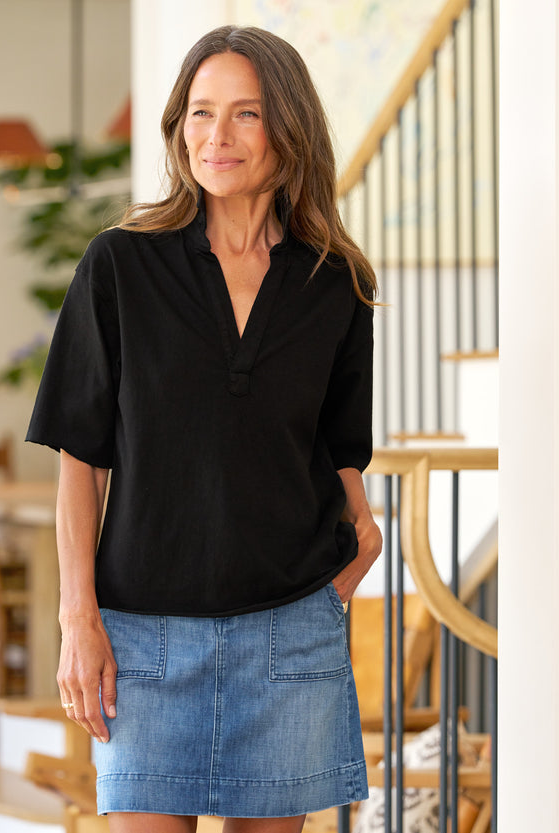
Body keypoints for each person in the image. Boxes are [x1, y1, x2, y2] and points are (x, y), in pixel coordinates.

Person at [27, 24, 382, 833]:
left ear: (287, 131)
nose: (215, 137)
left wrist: (363, 536)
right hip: (144, 647)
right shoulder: (119, 265)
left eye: (245, 114)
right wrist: (77, 619)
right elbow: (81, 461)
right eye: (199, 112)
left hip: (289, 636)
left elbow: (335, 447)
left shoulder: (338, 283)